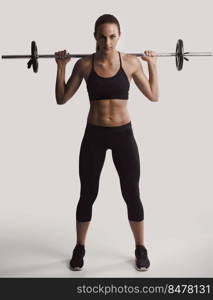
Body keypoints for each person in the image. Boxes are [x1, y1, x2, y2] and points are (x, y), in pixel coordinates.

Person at [55, 14, 159, 272]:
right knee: (87, 194)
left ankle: (140, 247)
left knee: (131, 193)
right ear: (95, 37)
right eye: (102, 36)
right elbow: (61, 99)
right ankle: (79, 247)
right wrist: (61, 67)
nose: (107, 42)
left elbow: (154, 96)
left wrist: (153, 65)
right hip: (95, 136)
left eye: (112, 36)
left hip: (124, 135)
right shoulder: (85, 65)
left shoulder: (132, 63)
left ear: (119, 36)